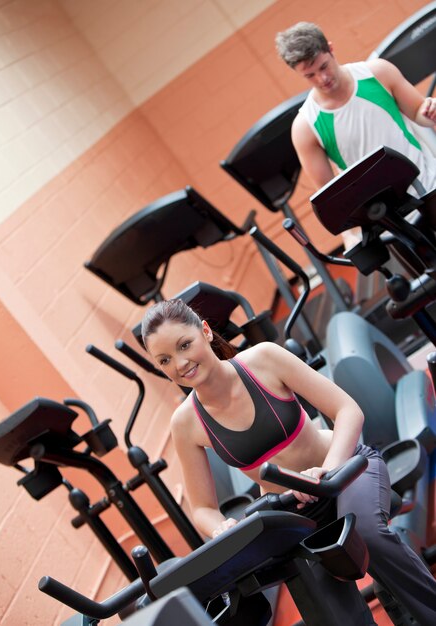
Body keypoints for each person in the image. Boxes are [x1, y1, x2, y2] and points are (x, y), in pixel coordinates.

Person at [141, 298, 436, 625]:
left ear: (206, 332)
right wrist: (221, 527)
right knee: (325, 605)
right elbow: (202, 509)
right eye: (165, 360)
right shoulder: (185, 424)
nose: (180, 363)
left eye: (185, 345)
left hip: (345, 471)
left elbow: (348, 410)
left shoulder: (263, 359)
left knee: (368, 534)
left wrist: (328, 471)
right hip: (291, 511)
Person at [274, 22, 436, 249]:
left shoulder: (378, 72)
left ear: (330, 49)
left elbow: (418, 111)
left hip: (429, 184)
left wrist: (430, 110)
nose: (322, 79)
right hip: (390, 219)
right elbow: (332, 197)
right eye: (310, 75)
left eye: (323, 67)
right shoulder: (305, 128)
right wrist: (349, 235)